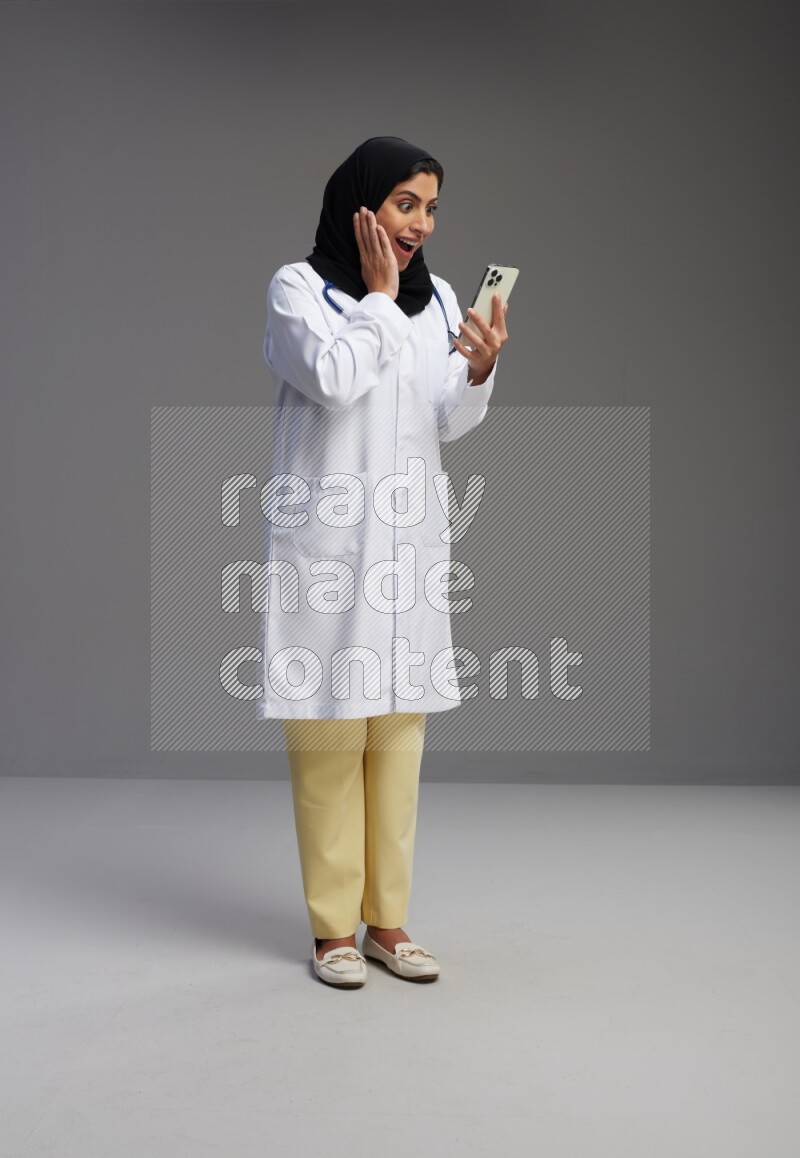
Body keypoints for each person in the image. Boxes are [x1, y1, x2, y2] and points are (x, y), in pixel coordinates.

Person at [258, 136, 510, 987]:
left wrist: (476, 370)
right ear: (362, 203)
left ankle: (387, 923)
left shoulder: (437, 297)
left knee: (399, 737)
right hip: (330, 550)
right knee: (329, 734)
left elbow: (444, 420)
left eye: (432, 207)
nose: (421, 222)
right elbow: (332, 379)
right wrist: (373, 300)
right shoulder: (299, 290)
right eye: (406, 202)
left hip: (405, 545)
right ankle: (333, 929)